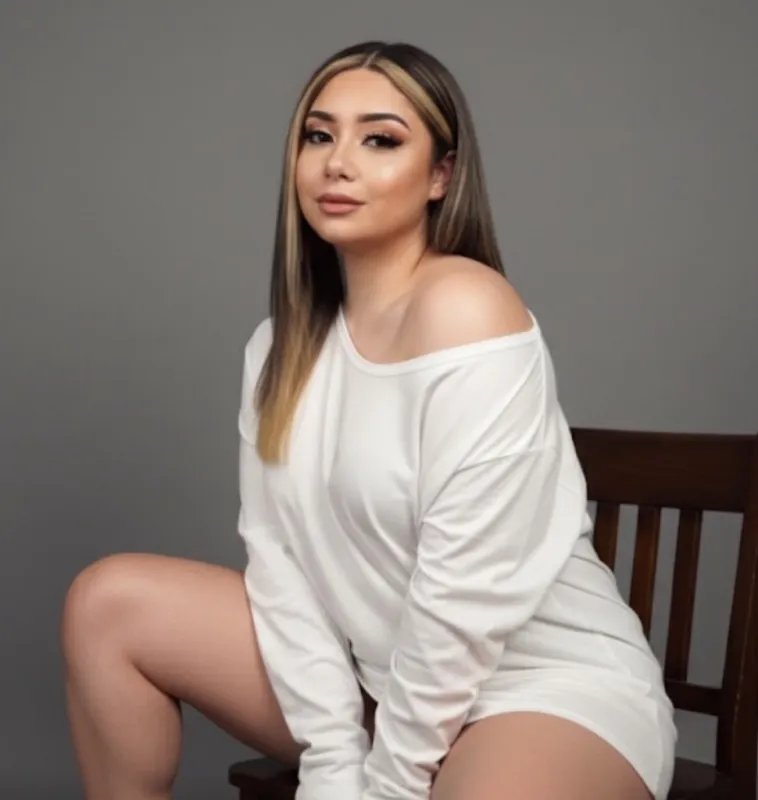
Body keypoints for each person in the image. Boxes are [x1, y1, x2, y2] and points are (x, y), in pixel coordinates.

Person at [61, 40, 677, 800]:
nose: (338, 163)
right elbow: (282, 573)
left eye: (380, 139)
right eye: (319, 136)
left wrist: (388, 783)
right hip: (376, 684)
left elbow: (463, 595)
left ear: (441, 176)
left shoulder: (468, 308)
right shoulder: (278, 349)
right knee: (108, 606)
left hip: (542, 689)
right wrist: (329, 762)